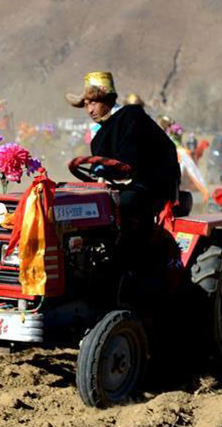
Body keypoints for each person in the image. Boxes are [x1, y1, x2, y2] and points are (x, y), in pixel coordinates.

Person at [67, 71, 180, 279]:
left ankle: (131, 266)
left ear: (108, 99)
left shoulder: (131, 116)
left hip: (151, 182)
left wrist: (112, 169)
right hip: (120, 184)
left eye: (94, 102)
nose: (89, 109)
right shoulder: (98, 135)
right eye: (86, 104)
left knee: (127, 203)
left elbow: (131, 159)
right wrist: (100, 173)